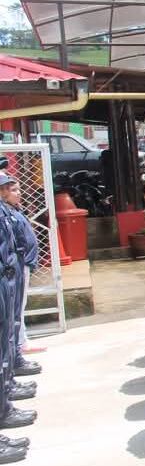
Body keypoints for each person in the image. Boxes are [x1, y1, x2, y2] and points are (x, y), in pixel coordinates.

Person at [0, 173, 36, 435]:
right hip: (6, 276)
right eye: (11, 189)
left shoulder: (6, 211)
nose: (16, 192)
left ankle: (7, 392)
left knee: (10, 330)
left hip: (10, 275)